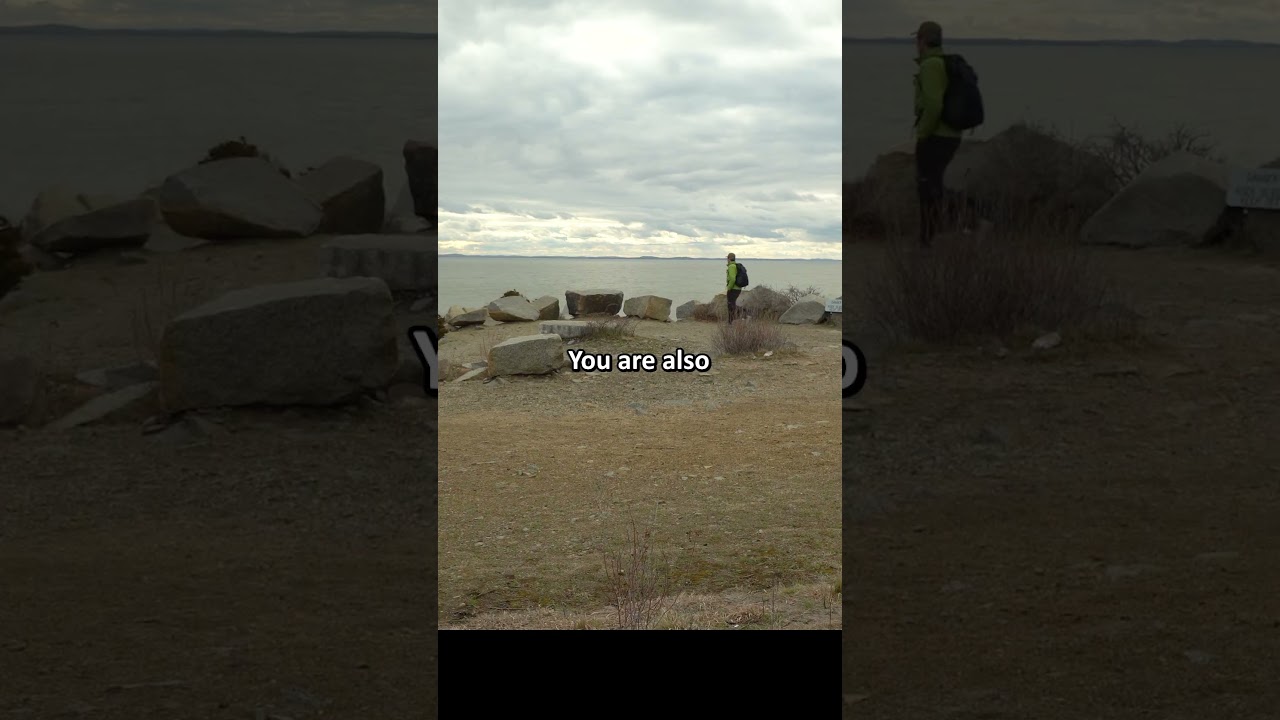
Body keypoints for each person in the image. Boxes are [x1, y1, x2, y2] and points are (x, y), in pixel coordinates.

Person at [913, 20, 964, 247]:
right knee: (934, 186)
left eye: (918, 39)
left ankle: (928, 240)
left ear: (922, 40)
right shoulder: (943, 62)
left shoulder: (930, 65)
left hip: (936, 136)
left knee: (927, 188)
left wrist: (922, 133)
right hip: (951, 134)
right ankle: (933, 236)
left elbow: (933, 105)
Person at [725, 253, 743, 324]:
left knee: (730, 305)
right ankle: (733, 320)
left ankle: (731, 321)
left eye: (727, 258)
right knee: (733, 304)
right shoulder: (735, 265)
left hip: (733, 289)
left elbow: (732, 279)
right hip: (738, 288)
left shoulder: (731, 266)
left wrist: (729, 288)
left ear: (729, 258)